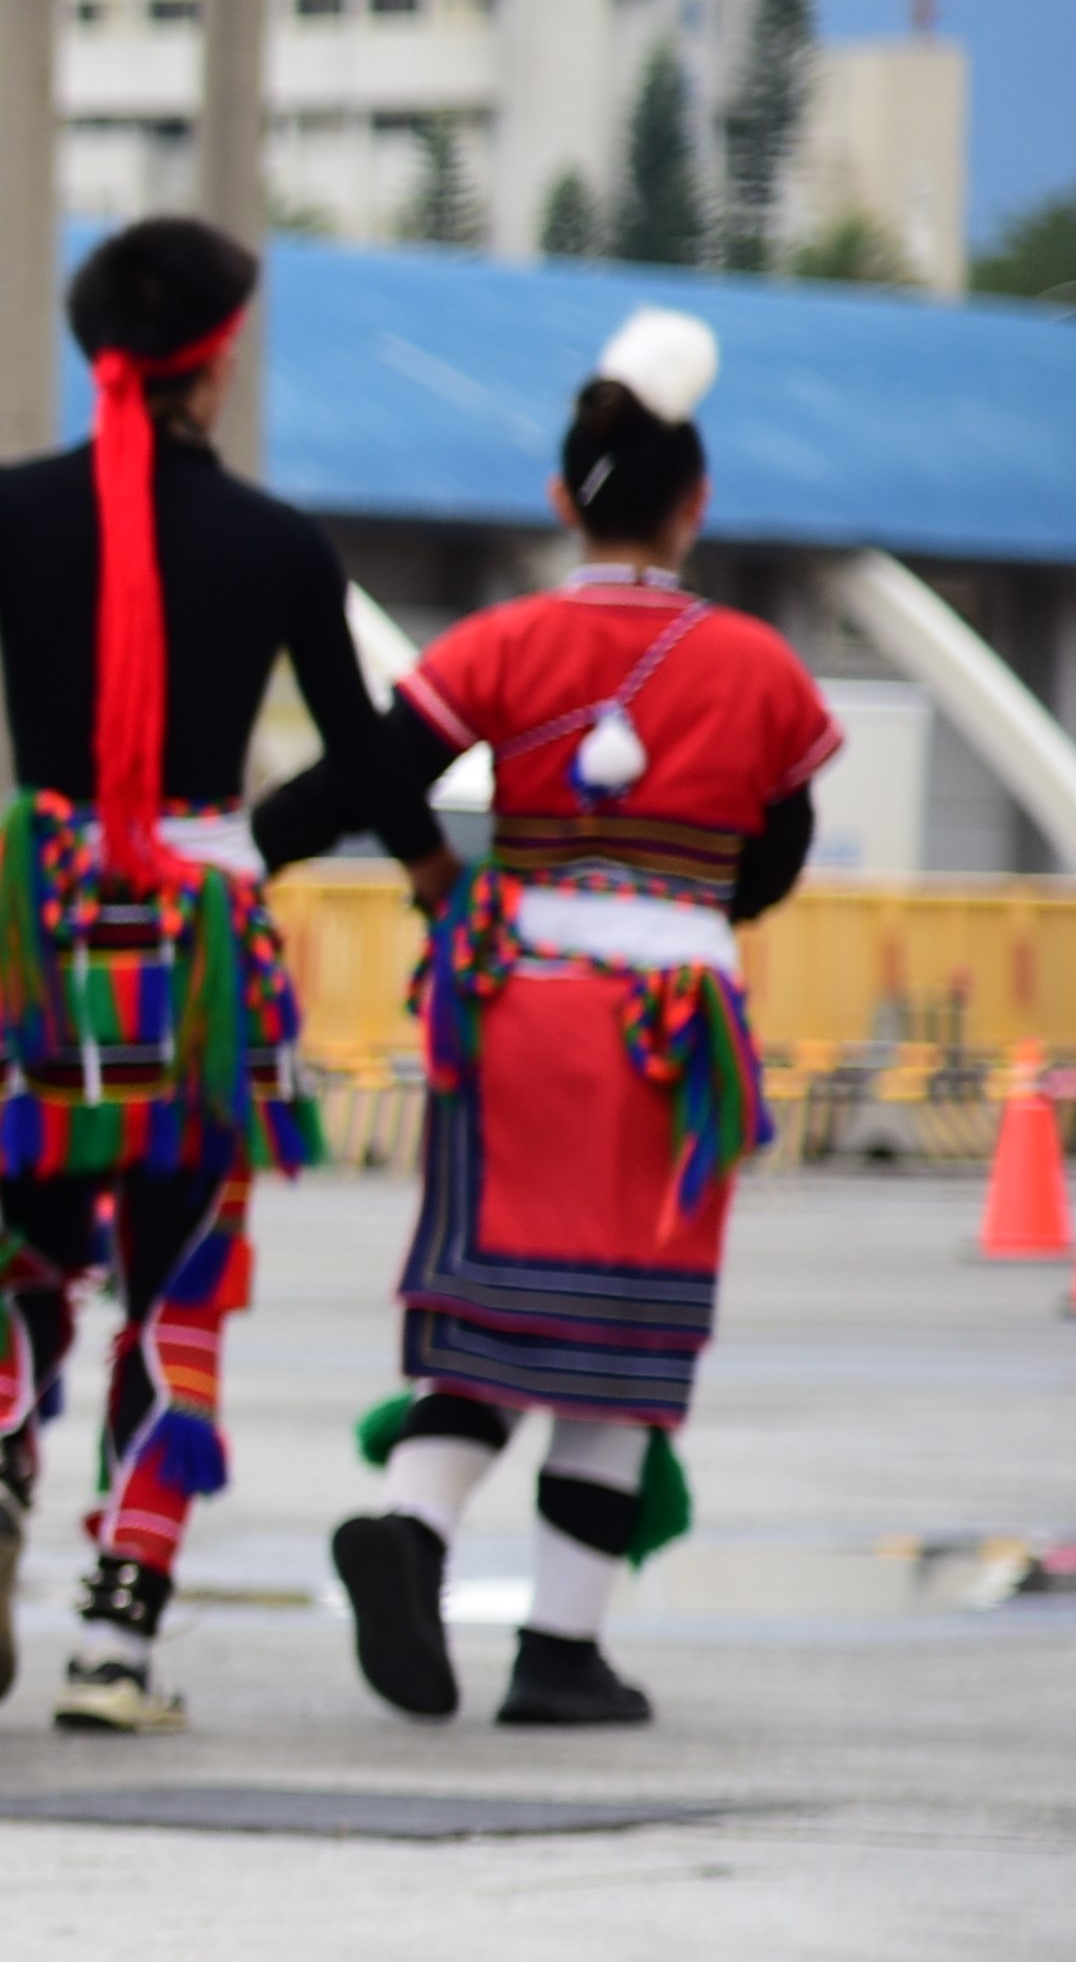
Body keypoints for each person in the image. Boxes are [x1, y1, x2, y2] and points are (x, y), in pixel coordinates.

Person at [0, 218, 426, 1732]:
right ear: (216, 360)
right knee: (176, 1287)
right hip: (197, 943)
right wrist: (276, 842)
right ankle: (117, 1640)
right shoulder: (281, 544)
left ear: (98, 354)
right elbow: (376, 750)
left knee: (12, 1249)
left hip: (40, 925)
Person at [320, 309, 832, 1732]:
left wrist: (445, 882)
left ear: (562, 498)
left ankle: (412, 1532)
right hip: (669, 1022)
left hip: (511, 1009)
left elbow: (383, 763)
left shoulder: (502, 640)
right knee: (625, 1335)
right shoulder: (755, 667)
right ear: (696, 503)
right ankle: (560, 1650)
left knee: (489, 1314)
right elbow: (781, 851)